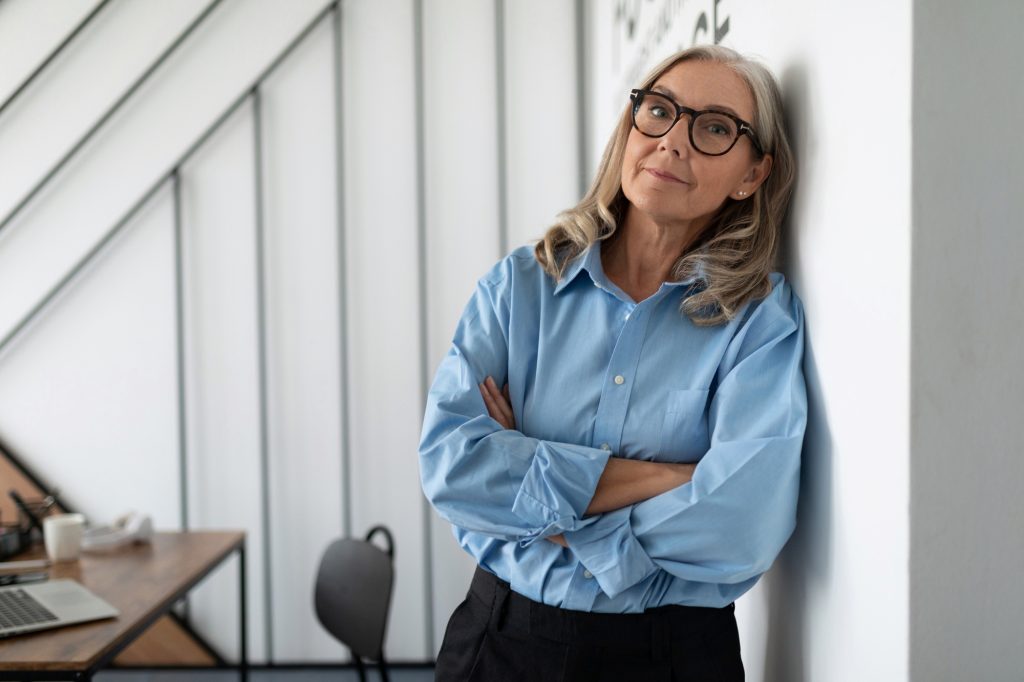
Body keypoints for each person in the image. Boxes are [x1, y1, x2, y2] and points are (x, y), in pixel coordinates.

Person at [419, 44, 805, 681]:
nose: (673, 142)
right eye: (659, 111)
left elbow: (742, 521)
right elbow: (452, 466)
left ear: (753, 175)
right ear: (630, 129)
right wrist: (676, 477)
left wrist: (542, 501)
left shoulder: (759, 319)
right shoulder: (520, 287)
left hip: (671, 657)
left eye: (714, 128)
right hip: (502, 639)